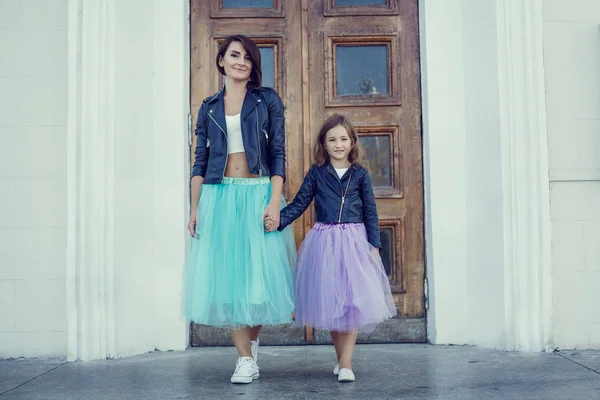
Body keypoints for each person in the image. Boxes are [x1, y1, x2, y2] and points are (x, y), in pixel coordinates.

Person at [183, 35, 296, 384]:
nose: (241, 62)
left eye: (248, 57)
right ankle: (245, 359)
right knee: (230, 281)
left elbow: (278, 151)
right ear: (221, 61)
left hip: (258, 191)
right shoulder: (210, 107)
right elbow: (199, 161)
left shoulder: (267, 101)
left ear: (253, 66)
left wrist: (274, 200)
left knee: (259, 283)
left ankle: (253, 339)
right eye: (234, 55)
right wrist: (195, 207)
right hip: (220, 196)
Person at [265, 114, 397, 383]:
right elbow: (301, 202)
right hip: (324, 243)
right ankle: (342, 360)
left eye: (343, 139)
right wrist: (278, 221)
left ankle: (346, 364)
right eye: (332, 139)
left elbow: (370, 211)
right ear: (323, 144)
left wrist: (375, 244)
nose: (338, 144)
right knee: (334, 307)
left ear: (352, 142)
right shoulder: (317, 173)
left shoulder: (360, 174)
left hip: (353, 242)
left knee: (352, 305)